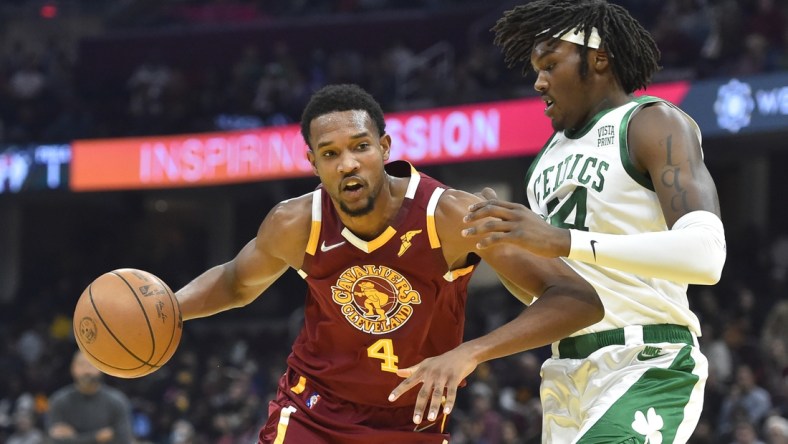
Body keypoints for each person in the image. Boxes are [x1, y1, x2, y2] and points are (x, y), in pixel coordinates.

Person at [174, 83, 603, 443]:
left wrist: (470, 353)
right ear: (312, 163)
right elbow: (234, 282)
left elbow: (576, 298)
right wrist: (167, 312)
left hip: (412, 420)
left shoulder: (449, 215)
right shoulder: (294, 222)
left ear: (383, 147)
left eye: (360, 147)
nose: (348, 164)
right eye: (330, 154)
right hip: (314, 411)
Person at [389, 1, 727, 442]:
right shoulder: (545, 162)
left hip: (644, 361)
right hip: (565, 374)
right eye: (536, 68)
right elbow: (547, 290)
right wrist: (498, 245)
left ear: (599, 58)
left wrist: (562, 240)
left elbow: (707, 256)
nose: (538, 81)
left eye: (550, 64)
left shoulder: (650, 122)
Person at [46, 350, 133, 444]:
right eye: (81, 364)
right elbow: (54, 441)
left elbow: (124, 440)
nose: (86, 371)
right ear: (73, 368)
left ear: (101, 368)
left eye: (91, 365)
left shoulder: (117, 401)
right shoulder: (59, 401)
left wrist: (74, 438)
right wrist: (97, 438)